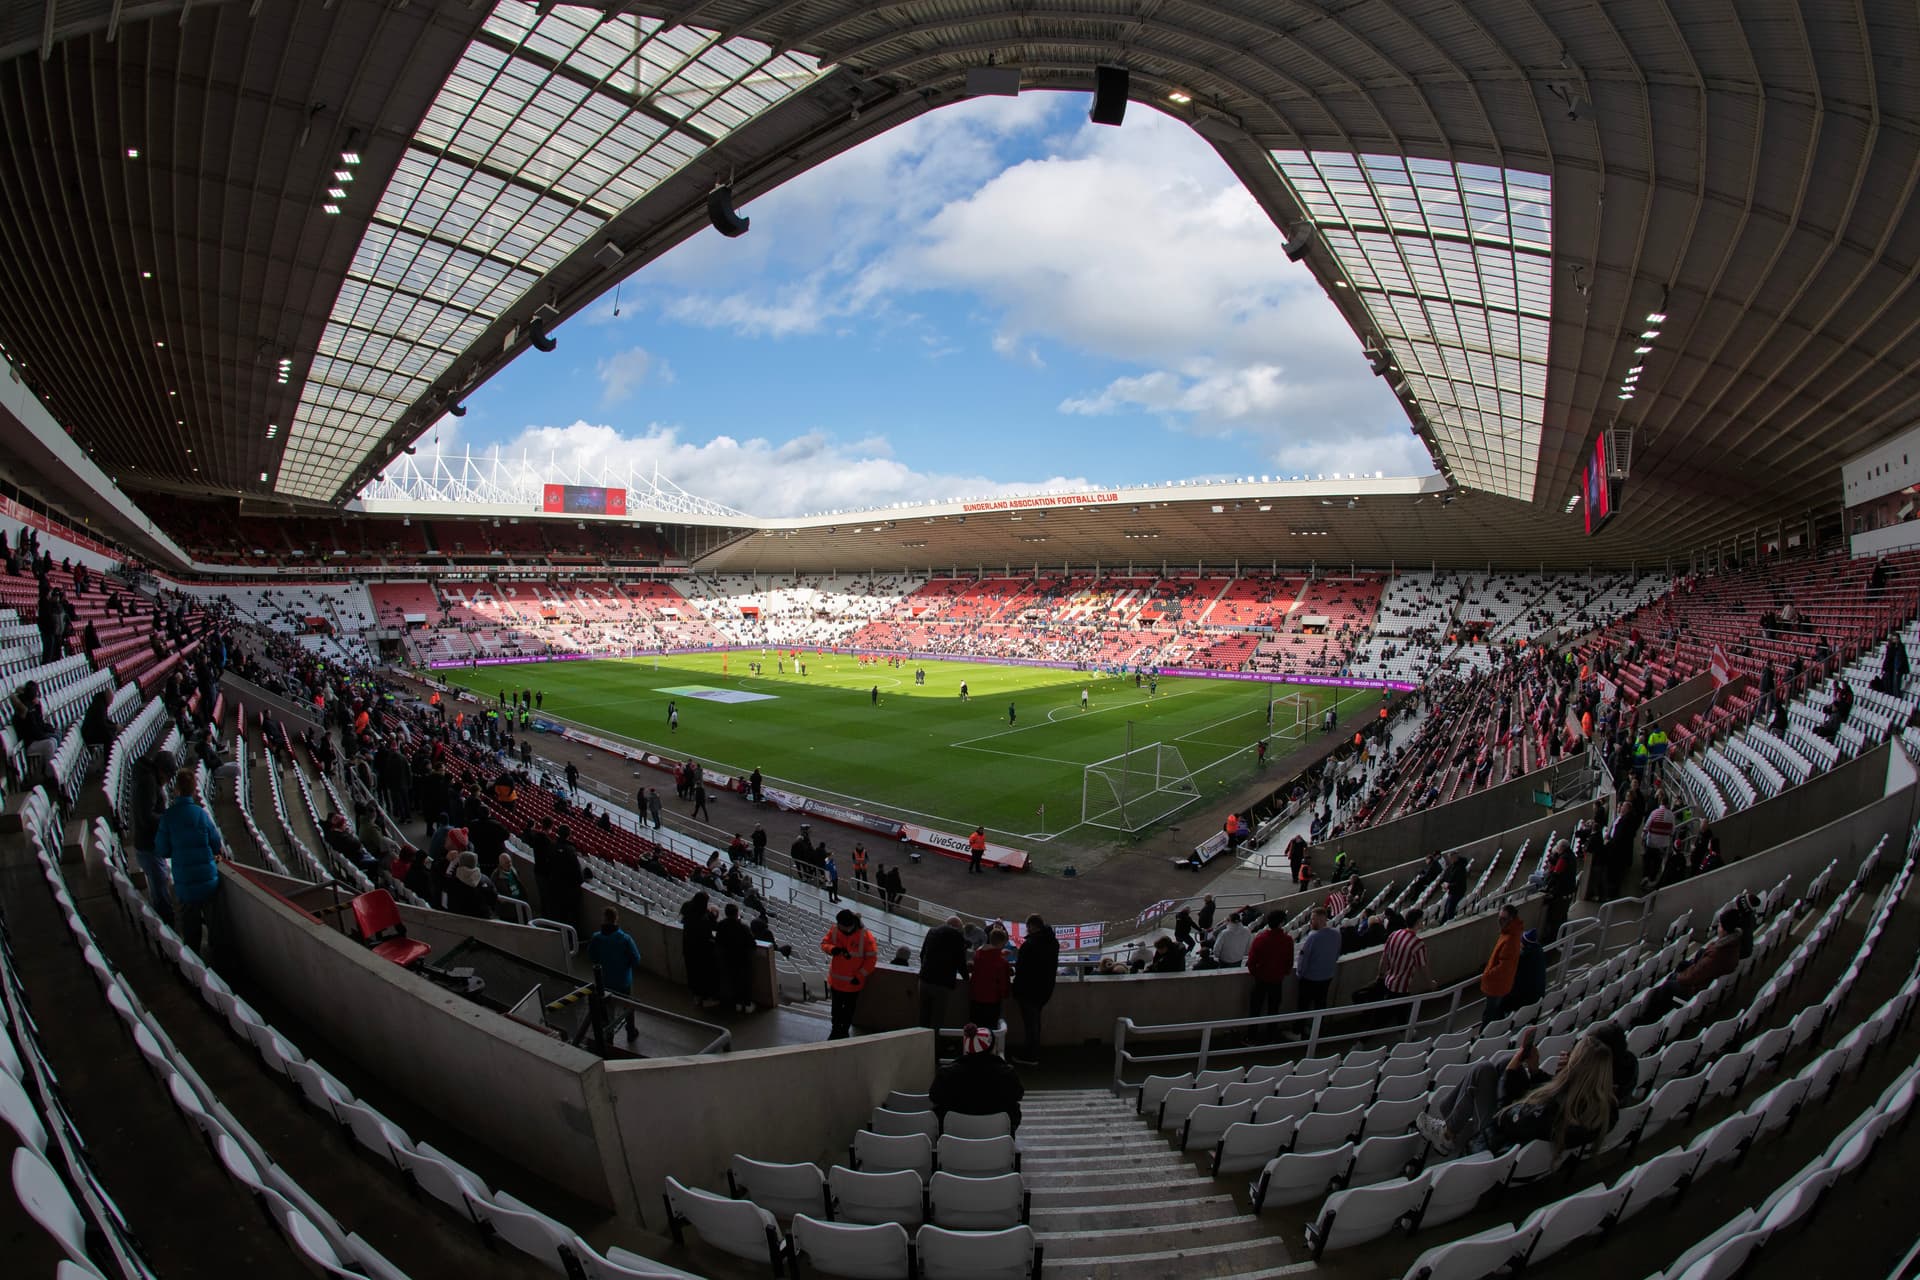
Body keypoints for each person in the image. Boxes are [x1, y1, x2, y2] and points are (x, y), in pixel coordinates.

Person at [1416, 1024, 1634, 1158]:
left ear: (1580, 1067)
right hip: (1523, 1136)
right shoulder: (1604, 1106)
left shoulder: (1549, 1112)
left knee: (1484, 1070)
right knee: (1500, 1063)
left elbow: (1504, 1118)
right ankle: (1450, 1121)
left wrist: (1512, 1072)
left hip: (1497, 1145)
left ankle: (1446, 1134)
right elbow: (1552, 1098)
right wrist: (1535, 1070)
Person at [155, 768, 226, 965]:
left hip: (185, 884)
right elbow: (215, 843)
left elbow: (162, 850)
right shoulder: (201, 815)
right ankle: (219, 962)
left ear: (176, 790)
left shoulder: (168, 818)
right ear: (195, 790)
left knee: (190, 928)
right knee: (214, 925)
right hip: (208, 881)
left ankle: (195, 965)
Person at [1642, 906, 1747, 1018]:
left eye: (1720, 925)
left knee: (1667, 986)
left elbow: (1694, 975)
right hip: (1707, 978)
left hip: (1697, 987)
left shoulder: (1718, 953)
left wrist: (1678, 977)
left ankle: (1651, 1017)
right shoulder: (1733, 943)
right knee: (1682, 966)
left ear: (1725, 929)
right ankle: (1665, 1002)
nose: (1718, 928)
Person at [930, 1024, 1025, 1132]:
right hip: (997, 1133)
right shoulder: (1007, 1073)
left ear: (967, 1048)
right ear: (991, 1048)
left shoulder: (946, 1074)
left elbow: (934, 1096)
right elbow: (1018, 1094)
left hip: (955, 1133)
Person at [130, 746, 176, 925]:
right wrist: (167, 818)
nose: (168, 781)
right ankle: (167, 926)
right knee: (160, 889)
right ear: (161, 771)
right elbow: (146, 817)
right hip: (149, 846)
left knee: (160, 882)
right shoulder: (148, 782)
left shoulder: (148, 778)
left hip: (150, 844)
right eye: (168, 776)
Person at [586, 908, 644, 1044]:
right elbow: (636, 959)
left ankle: (609, 1036)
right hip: (623, 981)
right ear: (616, 919)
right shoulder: (625, 939)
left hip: (604, 981)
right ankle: (630, 1031)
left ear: (604, 919)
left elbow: (592, 957)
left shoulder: (596, 938)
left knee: (607, 1009)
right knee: (627, 1005)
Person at [822, 909, 878, 1039]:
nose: (840, 928)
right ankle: (836, 1030)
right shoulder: (835, 930)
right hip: (837, 982)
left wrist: (859, 976)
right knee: (836, 1010)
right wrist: (832, 949)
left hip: (853, 984)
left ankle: (843, 1031)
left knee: (848, 1010)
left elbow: (871, 959)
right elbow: (824, 943)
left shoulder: (865, 936)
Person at [1010, 915, 1058, 1066]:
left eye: (1028, 926)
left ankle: (1031, 1055)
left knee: (1031, 1023)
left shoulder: (1030, 944)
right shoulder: (1053, 942)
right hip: (1045, 989)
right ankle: (1033, 1052)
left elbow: (1021, 967)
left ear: (1032, 926)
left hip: (1028, 990)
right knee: (1034, 1022)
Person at [1245, 912, 1294, 1033]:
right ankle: (1271, 1035)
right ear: (1282, 923)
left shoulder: (1260, 939)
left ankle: (1251, 1036)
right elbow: (1289, 963)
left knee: (1255, 1009)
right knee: (1274, 1009)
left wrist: (1257, 973)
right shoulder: (1287, 940)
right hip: (1277, 980)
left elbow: (1251, 962)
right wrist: (1283, 973)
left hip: (1260, 980)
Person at [919, 915, 969, 1028]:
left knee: (923, 1016)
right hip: (941, 984)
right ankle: (935, 1044)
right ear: (957, 927)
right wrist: (967, 978)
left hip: (924, 979)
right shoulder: (957, 937)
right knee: (937, 1018)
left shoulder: (932, 931)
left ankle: (921, 1042)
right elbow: (960, 962)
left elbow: (922, 954)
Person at [1480, 905, 1526, 1021]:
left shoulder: (1510, 938)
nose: (1500, 921)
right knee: (1495, 1013)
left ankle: (1485, 1037)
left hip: (1496, 985)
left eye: (1503, 919)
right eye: (1499, 918)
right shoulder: (1510, 932)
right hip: (1501, 984)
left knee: (1490, 1015)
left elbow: (1504, 966)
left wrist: (1487, 974)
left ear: (1511, 919)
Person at [1376, 908, 1430, 999]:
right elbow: (1422, 967)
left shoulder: (1394, 934)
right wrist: (1430, 983)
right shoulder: (1418, 944)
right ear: (1418, 922)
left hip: (1387, 982)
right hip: (1401, 989)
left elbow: (1384, 958)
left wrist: (1380, 975)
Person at [681, 892, 721, 1009]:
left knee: (693, 972)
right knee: (705, 974)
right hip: (703, 950)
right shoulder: (705, 915)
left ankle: (697, 996)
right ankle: (707, 998)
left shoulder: (687, 909)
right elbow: (714, 926)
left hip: (689, 948)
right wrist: (713, 914)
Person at [1296, 908, 1340, 1010]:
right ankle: (1318, 1025)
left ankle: (1299, 1026)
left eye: (1312, 919)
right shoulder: (1336, 934)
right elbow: (1337, 953)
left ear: (1320, 920)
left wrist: (1300, 974)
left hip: (1310, 979)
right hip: (1327, 976)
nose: (1310, 922)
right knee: (1321, 1004)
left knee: (1303, 1006)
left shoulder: (1313, 937)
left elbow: (1303, 959)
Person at [717, 903, 757, 1013]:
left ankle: (731, 1002)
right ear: (737, 914)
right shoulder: (743, 927)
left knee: (729, 981)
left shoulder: (721, 925)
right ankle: (743, 1004)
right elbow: (752, 944)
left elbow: (718, 941)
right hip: (741, 960)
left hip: (726, 959)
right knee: (743, 983)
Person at [968, 926, 1012, 1026]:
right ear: (1002, 943)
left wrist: (1000, 953)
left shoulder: (978, 955)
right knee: (989, 1030)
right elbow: (1003, 984)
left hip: (975, 997)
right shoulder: (1002, 962)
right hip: (992, 1000)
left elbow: (988, 957)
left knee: (974, 1028)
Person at [1440, 853, 1470, 923]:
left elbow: (1459, 883)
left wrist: (1448, 885)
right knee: (1446, 908)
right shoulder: (1455, 866)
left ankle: (1449, 924)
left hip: (1457, 892)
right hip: (1453, 891)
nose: (1449, 860)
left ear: (1454, 857)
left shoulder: (1460, 868)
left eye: (1450, 858)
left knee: (1449, 910)